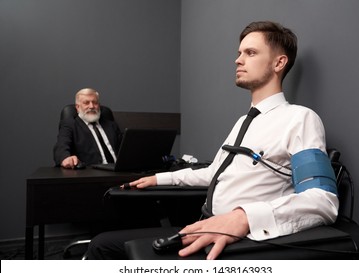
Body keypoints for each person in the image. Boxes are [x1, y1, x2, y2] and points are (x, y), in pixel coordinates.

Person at [87, 21, 339, 260]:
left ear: (279, 62)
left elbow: (322, 200)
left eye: (250, 53)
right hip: (204, 223)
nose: (238, 60)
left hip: (242, 238)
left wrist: (243, 218)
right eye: (239, 52)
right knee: (103, 242)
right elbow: (213, 173)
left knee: (102, 247)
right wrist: (159, 178)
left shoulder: (300, 118)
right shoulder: (243, 122)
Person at [53, 88, 122, 169]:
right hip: (90, 174)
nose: (91, 106)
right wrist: (65, 158)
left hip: (119, 172)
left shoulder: (111, 125)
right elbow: (61, 146)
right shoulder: (70, 125)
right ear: (77, 107)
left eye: (95, 103)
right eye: (86, 103)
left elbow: (124, 148)